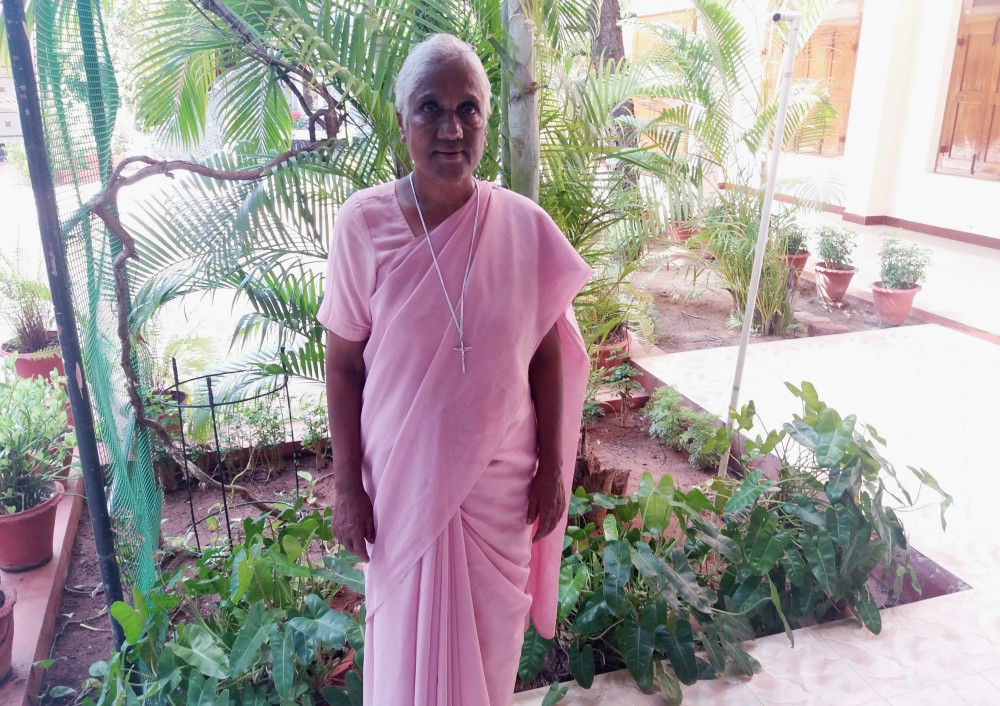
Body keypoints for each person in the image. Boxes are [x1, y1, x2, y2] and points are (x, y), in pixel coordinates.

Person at [318, 33, 592, 706]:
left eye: (468, 108)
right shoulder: (364, 226)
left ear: (486, 119)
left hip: (500, 493)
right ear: (401, 117)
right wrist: (347, 486)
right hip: (403, 490)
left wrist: (555, 469)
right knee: (407, 652)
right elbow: (343, 364)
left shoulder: (523, 228)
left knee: (488, 666)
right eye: (429, 107)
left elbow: (550, 354)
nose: (451, 127)